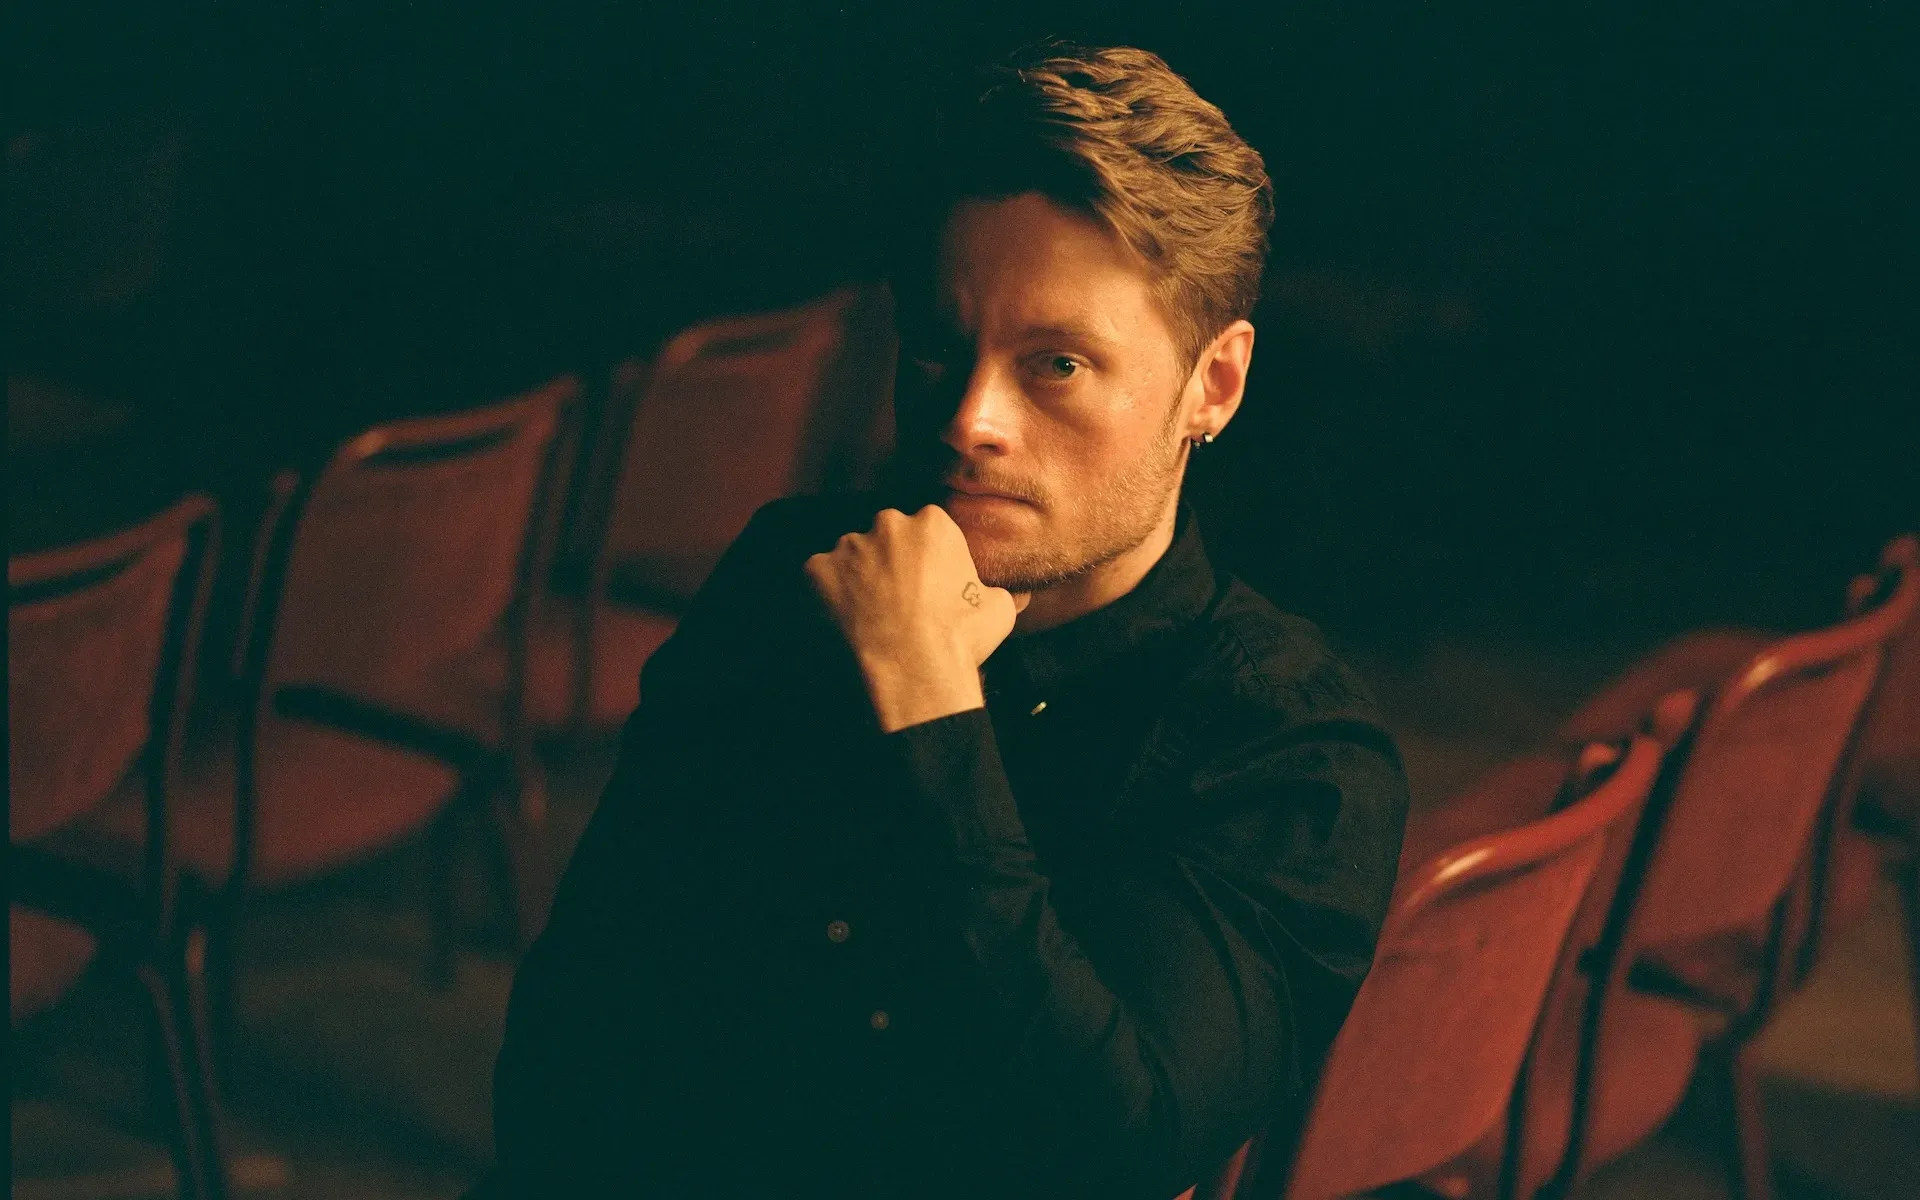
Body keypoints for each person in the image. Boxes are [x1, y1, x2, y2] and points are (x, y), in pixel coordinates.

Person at [488, 41, 1408, 1199]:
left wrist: (926, 706)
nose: (968, 418)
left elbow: (1111, 1147)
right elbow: (568, 1046)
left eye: (1056, 365)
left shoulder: (1289, 753)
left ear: (1211, 387)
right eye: (939, 342)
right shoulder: (789, 574)